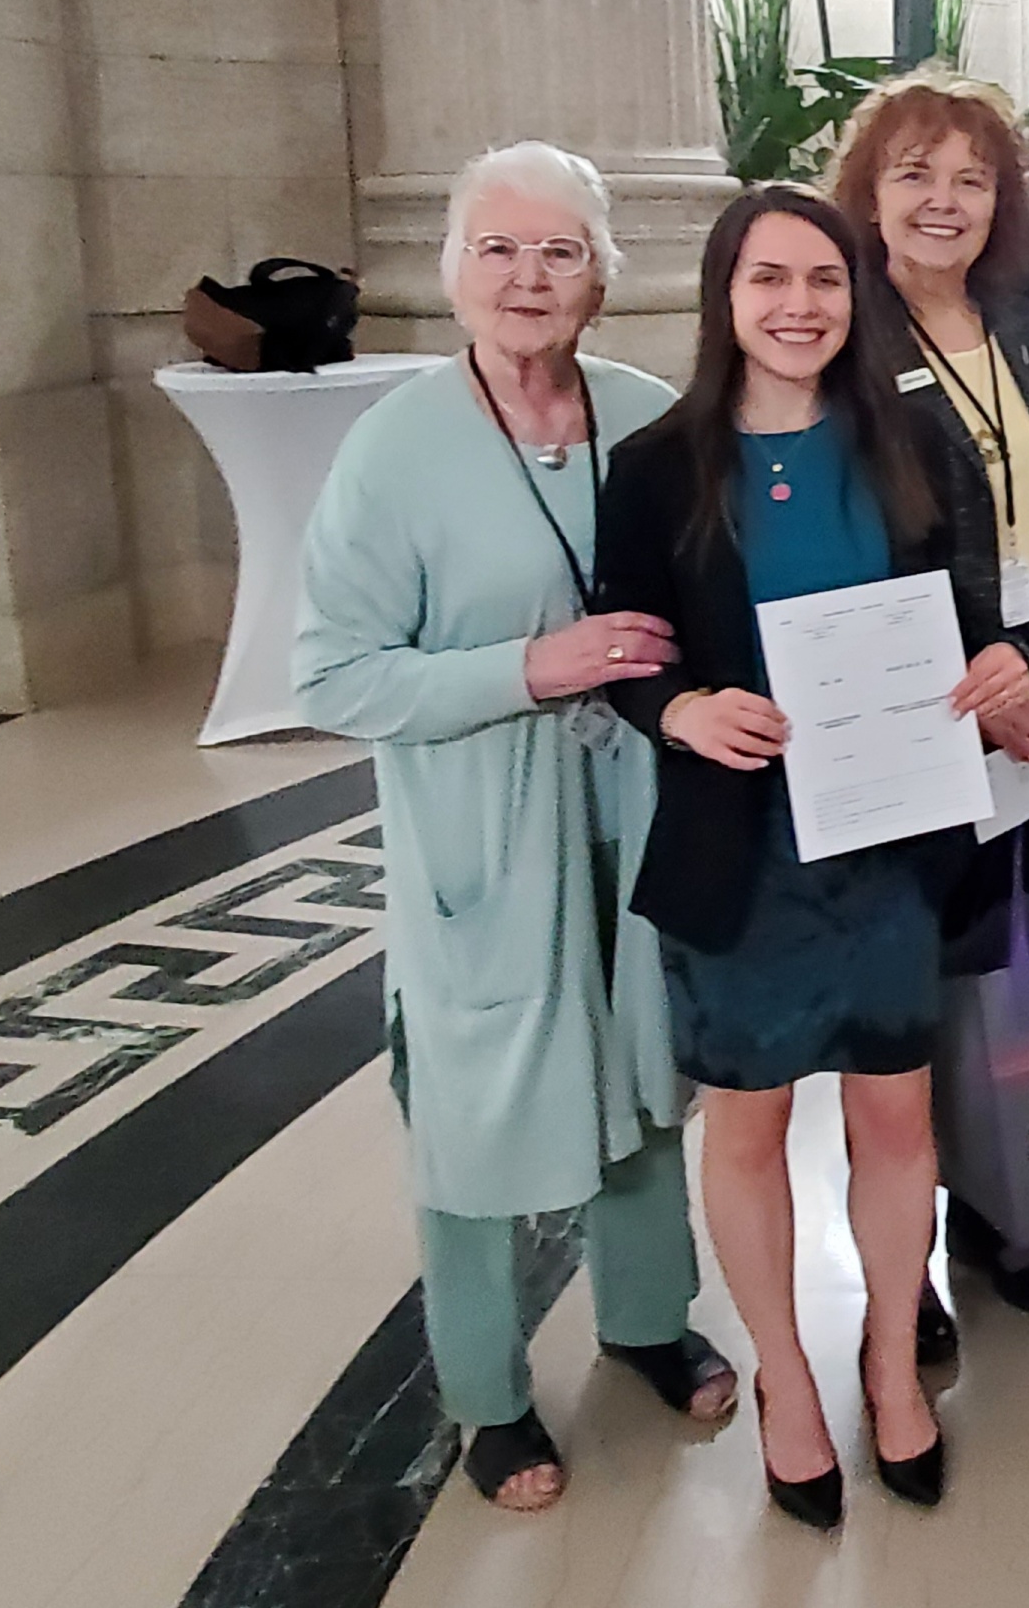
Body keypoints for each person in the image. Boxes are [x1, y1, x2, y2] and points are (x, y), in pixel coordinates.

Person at [295, 141, 735, 1513]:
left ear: (602, 275)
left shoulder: (646, 413)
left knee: (642, 1069)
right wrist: (529, 667)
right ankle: (484, 1391)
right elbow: (333, 673)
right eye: (498, 248)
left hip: (639, 805)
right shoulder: (396, 448)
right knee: (476, 1109)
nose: (528, 276)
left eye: (558, 250)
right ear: (453, 275)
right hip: (485, 830)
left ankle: (647, 1317)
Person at [595, 185, 1029, 1523]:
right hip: (742, 849)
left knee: (894, 1111)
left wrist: (1000, 657)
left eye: (826, 281)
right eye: (768, 279)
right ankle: (787, 1379)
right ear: (725, 297)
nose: (799, 306)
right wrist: (673, 706)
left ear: (858, 297)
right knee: (748, 1121)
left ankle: (892, 1362)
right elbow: (627, 632)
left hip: (889, 840)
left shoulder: (908, 440)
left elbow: (965, 608)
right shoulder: (661, 462)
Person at [831, 71, 1029, 1321]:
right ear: (868, 195)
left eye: (970, 178)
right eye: (914, 175)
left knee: (1023, 964)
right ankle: (915, 1249)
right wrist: (970, 664)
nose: (943, 201)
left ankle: (1011, 1210)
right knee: (919, 989)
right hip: (919, 707)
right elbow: (849, 546)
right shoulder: (843, 335)